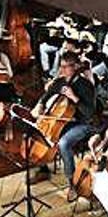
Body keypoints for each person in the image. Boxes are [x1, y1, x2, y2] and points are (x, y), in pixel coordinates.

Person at [29, 52, 96, 201]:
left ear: (76, 67)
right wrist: (40, 105)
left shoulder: (86, 86)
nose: (63, 70)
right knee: (39, 132)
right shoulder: (60, 82)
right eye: (62, 66)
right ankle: (42, 168)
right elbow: (46, 96)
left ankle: (72, 183)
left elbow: (90, 112)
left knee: (64, 143)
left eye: (66, 67)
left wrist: (74, 98)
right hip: (61, 121)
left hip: (83, 124)